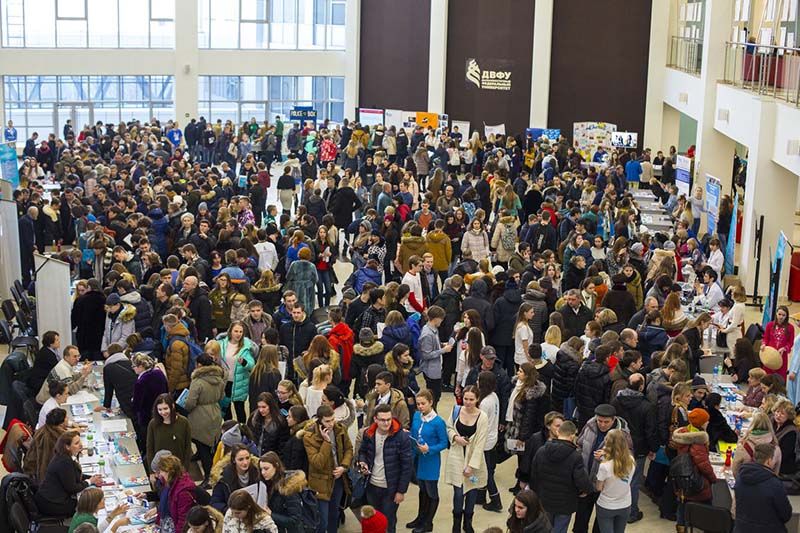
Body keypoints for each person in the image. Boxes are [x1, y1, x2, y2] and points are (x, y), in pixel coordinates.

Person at [574, 404, 633, 533]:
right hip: (586, 480)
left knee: (601, 524)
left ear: (613, 419)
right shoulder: (590, 425)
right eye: (599, 421)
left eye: (606, 422)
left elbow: (628, 458)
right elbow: (579, 444)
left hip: (605, 487)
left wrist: (608, 455)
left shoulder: (622, 434)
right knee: (580, 520)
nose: (602, 424)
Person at [358, 403, 413, 533]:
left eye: (389, 419)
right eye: (382, 420)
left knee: (388, 522)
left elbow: (407, 466)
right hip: (372, 486)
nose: (386, 423)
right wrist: (363, 462)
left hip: (391, 489)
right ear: (375, 419)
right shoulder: (368, 434)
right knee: (374, 521)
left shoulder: (402, 437)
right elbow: (362, 451)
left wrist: (401, 491)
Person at [611, 373, 657, 524]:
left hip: (618, 445)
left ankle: (617, 509)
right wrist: (653, 448)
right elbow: (650, 431)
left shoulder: (616, 401)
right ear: (641, 386)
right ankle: (632, 512)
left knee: (617, 478)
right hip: (639, 449)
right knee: (634, 481)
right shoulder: (647, 406)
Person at [532, 420, 593, 533]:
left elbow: (534, 475)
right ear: (572, 435)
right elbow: (581, 480)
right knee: (560, 529)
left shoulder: (541, 451)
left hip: (545, 499)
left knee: (545, 528)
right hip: (565, 503)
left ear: (558, 432)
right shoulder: (575, 456)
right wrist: (588, 490)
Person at [444, 385, 487, 533]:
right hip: (457, 457)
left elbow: (480, 443)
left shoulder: (482, 417)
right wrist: (455, 437)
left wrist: (471, 466)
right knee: (458, 492)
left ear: (477, 399)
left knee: (472, 491)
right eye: (465, 399)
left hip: (474, 461)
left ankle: (468, 523)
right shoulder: (456, 410)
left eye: (471, 399)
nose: (468, 402)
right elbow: (448, 428)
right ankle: (456, 524)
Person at [304, 404, 353, 533]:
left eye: (332, 419)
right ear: (319, 420)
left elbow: (349, 449)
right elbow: (317, 462)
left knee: (334, 515)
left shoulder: (340, 430)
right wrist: (326, 442)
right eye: (327, 421)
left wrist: (343, 466)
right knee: (322, 520)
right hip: (320, 482)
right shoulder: (309, 436)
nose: (331, 424)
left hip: (338, 479)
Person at [406, 389, 448, 533]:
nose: (420, 406)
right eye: (418, 404)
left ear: (431, 402)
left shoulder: (438, 422)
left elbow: (444, 443)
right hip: (418, 459)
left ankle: (428, 523)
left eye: (423, 403)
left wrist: (429, 449)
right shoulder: (417, 416)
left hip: (430, 461)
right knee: (422, 490)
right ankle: (420, 518)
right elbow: (413, 433)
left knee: (431, 492)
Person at [34, 431, 103, 517]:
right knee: (88, 505)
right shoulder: (64, 462)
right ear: (67, 447)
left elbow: (74, 475)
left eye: (80, 441)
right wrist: (89, 481)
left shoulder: (66, 456)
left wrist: (92, 478)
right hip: (51, 503)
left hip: (52, 497)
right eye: (76, 443)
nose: (81, 445)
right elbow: (72, 488)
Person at [671, 408, 717, 531]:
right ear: (701, 423)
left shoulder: (683, 435)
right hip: (696, 482)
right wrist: (713, 478)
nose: (708, 423)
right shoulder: (697, 443)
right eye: (706, 421)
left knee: (682, 505)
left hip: (682, 479)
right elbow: (704, 466)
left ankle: (681, 528)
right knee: (707, 508)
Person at [185, 353, 225, 486]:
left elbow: (190, 403)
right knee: (209, 443)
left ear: (199, 365)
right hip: (215, 412)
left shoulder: (197, 381)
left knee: (203, 447)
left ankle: (208, 477)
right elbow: (222, 396)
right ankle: (201, 458)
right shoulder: (219, 378)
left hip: (200, 415)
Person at [733, 442, 793, 533]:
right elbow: (786, 514)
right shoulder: (774, 484)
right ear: (769, 461)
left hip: (741, 528)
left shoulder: (740, 477)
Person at [595, 429, 636, 533]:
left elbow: (599, 487)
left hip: (606, 506)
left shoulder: (604, 466)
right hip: (625, 504)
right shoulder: (631, 460)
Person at [255, 452, 305, 532]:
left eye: (266, 469)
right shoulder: (266, 484)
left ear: (276, 466)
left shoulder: (288, 487)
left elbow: (295, 520)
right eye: (261, 469)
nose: (263, 472)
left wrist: (271, 514)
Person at [219, 321, 257, 422]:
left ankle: (242, 429)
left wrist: (244, 362)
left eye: (241, 332)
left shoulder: (246, 347)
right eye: (236, 331)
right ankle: (229, 427)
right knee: (226, 409)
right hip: (225, 381)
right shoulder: (221, 344)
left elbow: (252, 365)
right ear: (230, 331)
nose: (238, 334)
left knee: (239, 409)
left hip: (240, 382)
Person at [131, 353, 168, 455]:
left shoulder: (141, 381)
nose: (132, 368)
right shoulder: (159, 373)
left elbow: (137, 405)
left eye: (134, 366)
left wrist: (133, 402)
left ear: (141, 366)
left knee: (147, 441)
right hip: (161, 413)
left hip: (146, 417)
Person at [146, 393, 192, 470]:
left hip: (178, 469)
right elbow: (150, 448)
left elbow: (187, 448)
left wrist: (185, 469)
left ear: (172, 406)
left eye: (165, 408)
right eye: (160, 409)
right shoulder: (153, 424)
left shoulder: (184, 422)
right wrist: (151, 471)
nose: (163, 412)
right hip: (160, 469)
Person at [418, 305, 454, 406]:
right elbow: (426, 355)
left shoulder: (433, 329)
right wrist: (443, 350)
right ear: (436, 318)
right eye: (441, 319)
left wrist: (441, 344)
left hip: (435, 368)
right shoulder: (427, 334)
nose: (441, 321)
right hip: (431, 371)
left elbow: (432, 346)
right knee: (434, 396)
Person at [210, 443, 261, 513]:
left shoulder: (258, 472)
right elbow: (215, 502)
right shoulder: (223, 477)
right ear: (234, 460)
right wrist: (230, 511)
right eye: (241, 459)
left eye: (247, 458)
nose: (245, 462)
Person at [24, 407, 67, 483]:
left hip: (34, 472)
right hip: (46, 480)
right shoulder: (54, 438)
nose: (68, 419)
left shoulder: (44, 430)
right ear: (61, 423)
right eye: (66, 417)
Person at [98, 343, 137, 420]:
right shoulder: (131, 363)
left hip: (125, 400)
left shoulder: (108, 368)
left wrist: (106, 406)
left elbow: (108, 390)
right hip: (137, 396)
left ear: (109, 353)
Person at [248, 392, 289, 456]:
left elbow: (282, 444)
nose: (261, 410)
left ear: (271, 406)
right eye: (259, 407)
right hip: (254, 456)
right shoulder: (254, 418)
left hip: (270, 457)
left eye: (264, 407)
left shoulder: (280, 421)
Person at [763, 305, 794, 379]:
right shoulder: (770, 325)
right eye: (779, 314)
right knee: (768, 376)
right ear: (776, 314)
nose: (781, 317)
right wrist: (763, 344)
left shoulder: (790, 328)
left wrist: (784, 348)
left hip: (782, 356)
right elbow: (765, 338)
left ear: (786, 316)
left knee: (779, 377)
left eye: (783, 315)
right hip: (770, 354)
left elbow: (790, 343)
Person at [772, 399, 799, 475]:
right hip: (769, 458)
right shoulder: (773, 422)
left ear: (789, 416)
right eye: (777, 411)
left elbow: (783, 455)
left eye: (782, 413)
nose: (778, 415)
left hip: (782, 466)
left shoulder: (791, 431)